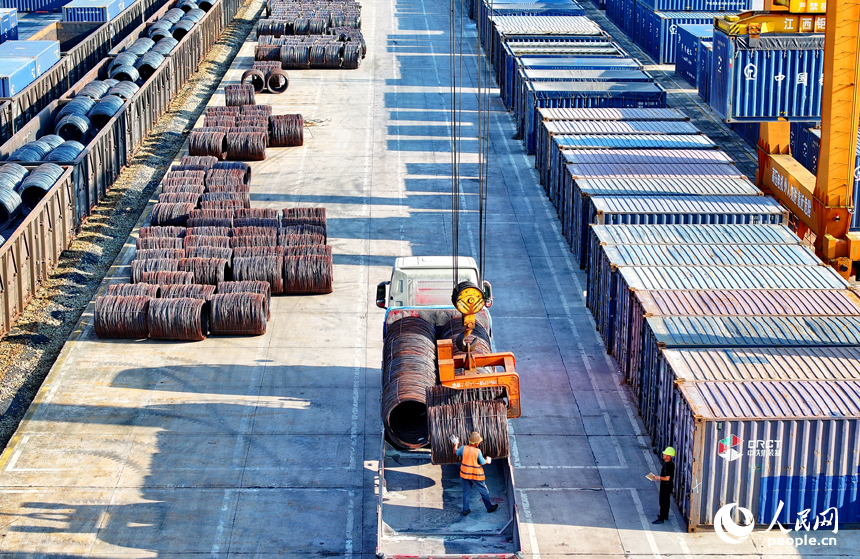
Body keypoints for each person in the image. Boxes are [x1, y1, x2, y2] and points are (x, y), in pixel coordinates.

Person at [452, 431, 499, 516]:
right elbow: (481, 462)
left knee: (466, 492)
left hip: (465, 474)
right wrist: (487, 461)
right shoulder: (477, 451)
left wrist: (456, 443)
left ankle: (465, 510)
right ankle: (489, 507)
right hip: (476, 475)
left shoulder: (463, 448)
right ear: (477, 443)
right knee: (483, 491)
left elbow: (455, 452)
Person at [651, 447, 676, 524]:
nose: (663, 455)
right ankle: (665, 515)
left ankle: (661, 518)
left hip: (666, 486)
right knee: (666, 501)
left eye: (665, 454)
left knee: (663, 501)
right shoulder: (669, 464)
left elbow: (667, 478)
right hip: (667, 485)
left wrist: (658, 477)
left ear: (669, 456)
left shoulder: (668, 465)